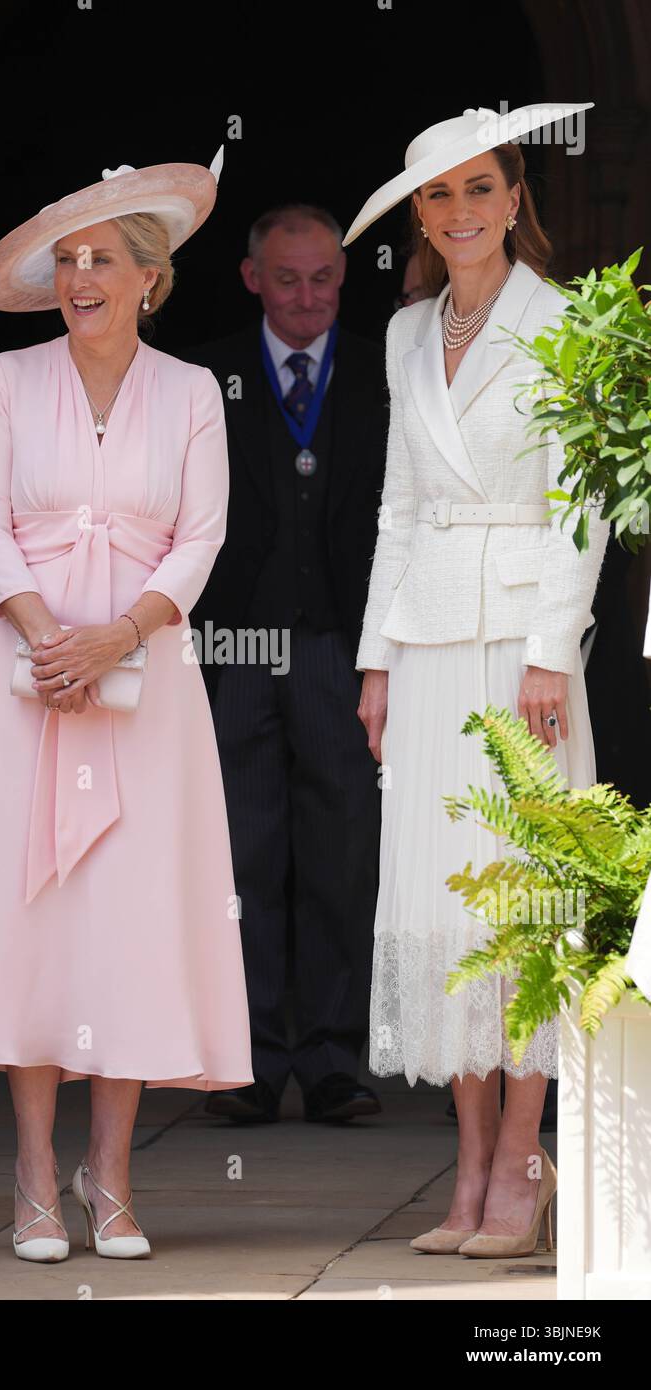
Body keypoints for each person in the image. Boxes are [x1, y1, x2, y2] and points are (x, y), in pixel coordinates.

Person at [0, 152, 253, 1262]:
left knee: (127, 924)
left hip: (146, 685)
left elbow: (201, 536)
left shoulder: (193, 391)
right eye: (67, 262)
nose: (82, 278)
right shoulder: (9, 381)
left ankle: (108, 1178)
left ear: (150, 278)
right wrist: (45, 634)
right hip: (21, 680)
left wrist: (122, 632)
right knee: (33, 924)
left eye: (102, 258)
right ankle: (29, 1175)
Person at [345, 104, 610, 1257]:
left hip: (521, 652)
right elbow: (397, 506)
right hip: (426, 638)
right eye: (438, 195)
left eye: (481, 189)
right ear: (419, 214)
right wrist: (372, 660)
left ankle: (520, 1163)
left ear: (515, 201)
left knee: (522, 907)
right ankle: (461, 1173)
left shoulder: (563, 322)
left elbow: (582, 501)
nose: (460, 212)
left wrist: (554, 648)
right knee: (444, 908)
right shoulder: (404, 333)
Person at [185, 205, 385, 1124]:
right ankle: (251, 1063)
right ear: (251, 277)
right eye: (289, 278)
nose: (309, 298)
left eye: (325, 280)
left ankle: (335, 1060)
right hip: (231, 648)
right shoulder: (204, 374)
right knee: (241, 859)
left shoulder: (385, 368)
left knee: (344, 854)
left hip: (344, 645)